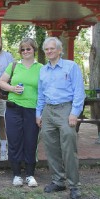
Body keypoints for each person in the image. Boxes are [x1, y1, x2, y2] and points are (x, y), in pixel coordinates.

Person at [36, 37, 85, 199]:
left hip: (66, 109)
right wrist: (39, 113)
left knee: (69, 149)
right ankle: (58, 181)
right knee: (51, 148)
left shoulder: (71, 67)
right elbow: (41, 94)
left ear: (59, 50)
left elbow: (79, 91)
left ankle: (74, 186)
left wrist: (74, 113)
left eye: (52, 49)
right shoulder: (43, 70)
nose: (49, 51)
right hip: (48, 111)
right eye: (46, 49)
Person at [0, 38, 42, 187]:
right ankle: (16, 174)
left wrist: (41, 111)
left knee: (31, 141)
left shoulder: (41, 67)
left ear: (34, 50)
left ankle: (30, 174)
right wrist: (12, 88)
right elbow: (1, 82)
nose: (25, 52)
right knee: (15, 141)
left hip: (32, 109)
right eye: (22, 49)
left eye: (28, 49)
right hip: (13, 108)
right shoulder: (14, 65)